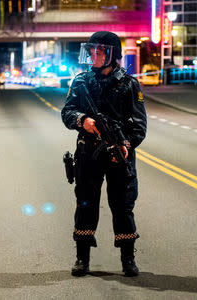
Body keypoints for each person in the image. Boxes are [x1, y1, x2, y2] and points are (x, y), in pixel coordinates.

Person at [61, 31, 147, 277]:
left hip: (119, 155)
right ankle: (82, 258)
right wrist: (82, 120)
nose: (94, 55)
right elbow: (67, 112)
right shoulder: (81, 81)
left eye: (100, 51)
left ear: (112, 55)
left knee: (122, 206)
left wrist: (126, 145)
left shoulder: (129, 85)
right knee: (85, 204)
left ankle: (128, 259)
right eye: (92, 51)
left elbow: (139, 125)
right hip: (88, 154)